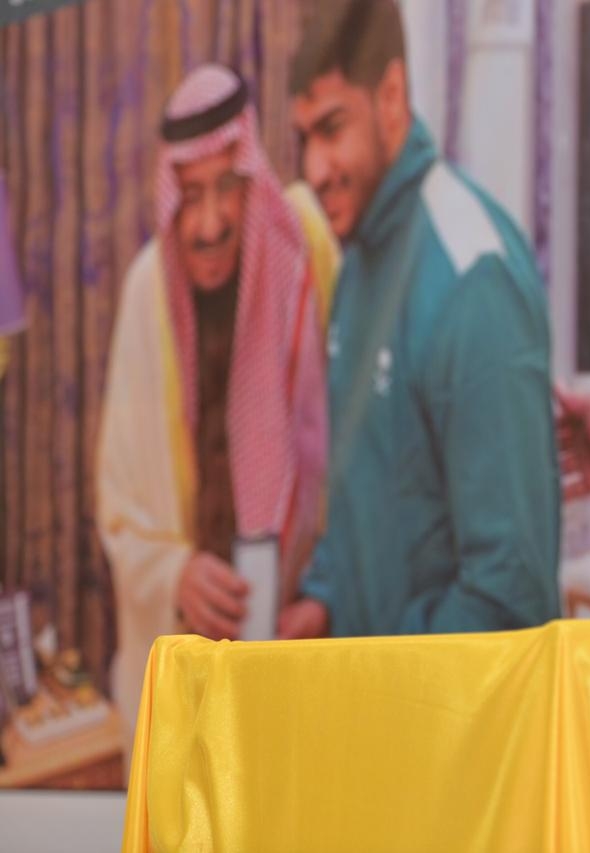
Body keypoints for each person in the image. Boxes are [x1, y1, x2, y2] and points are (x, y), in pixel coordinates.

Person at [277, 0, 560, 639]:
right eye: (304, 139)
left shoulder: (471, 277)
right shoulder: (360, 257)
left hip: (445, 698)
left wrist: (384, 679)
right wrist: (321, 604)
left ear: (391, 97)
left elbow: (507, 592)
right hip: (381, 684)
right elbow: (365, 491)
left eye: (332, 129)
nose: (313, 170)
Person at [97, 64, 338, 747]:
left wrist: (326, 592)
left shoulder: (303, 261)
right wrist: (175, 573)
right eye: (191, 194)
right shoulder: (148, 294)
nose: (208, 224)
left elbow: (356, 455)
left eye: (226, 189)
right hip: (191, 653)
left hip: (295, 633)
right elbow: (119, 502)